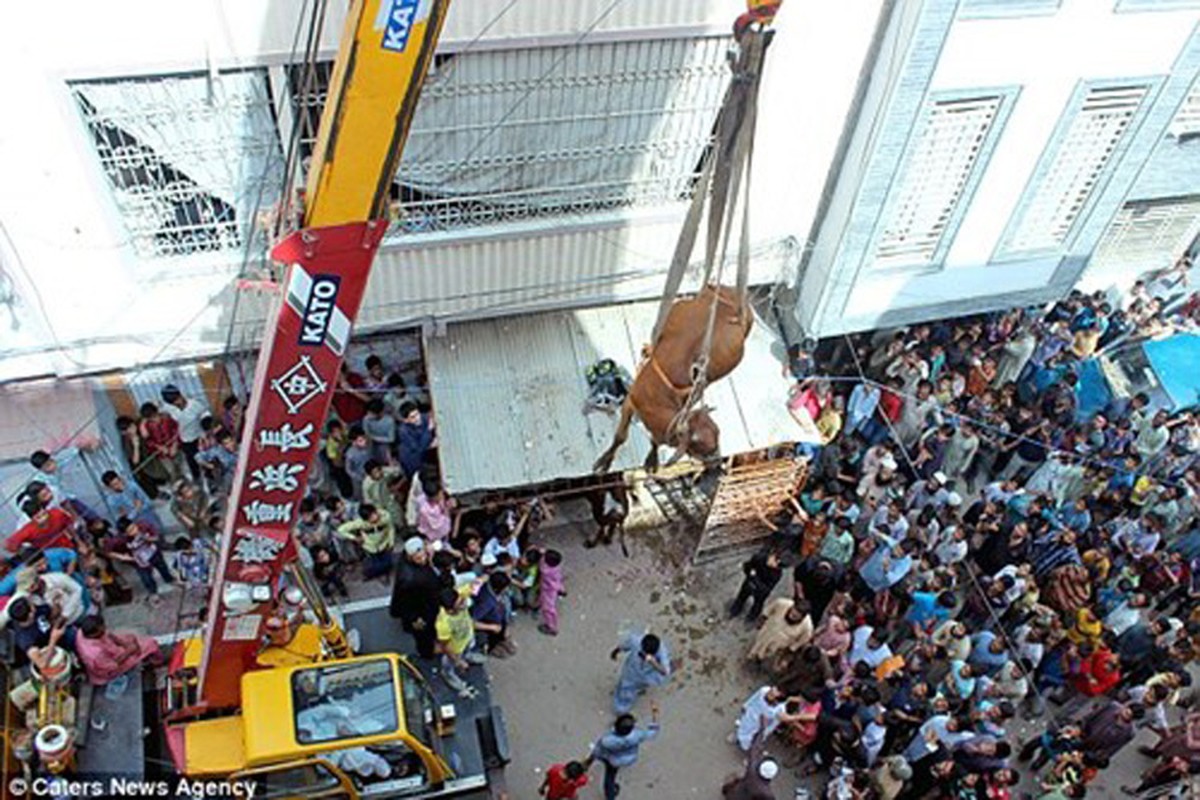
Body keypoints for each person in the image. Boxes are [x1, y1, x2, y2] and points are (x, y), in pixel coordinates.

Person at [589, 705, 660, 800]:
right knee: (611, 775)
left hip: (608, 756)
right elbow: (652, 733)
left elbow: (598, 749)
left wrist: (591, 758)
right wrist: (654, 714)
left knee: (609, 777)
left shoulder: (608, 741)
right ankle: (610, 796)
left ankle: (610, 795)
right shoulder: (636, 736)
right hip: (624, 758)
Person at [74, 615, 162, 685]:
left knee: (132, 638)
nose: (104, 629)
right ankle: (155, 660)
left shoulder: (81, 632)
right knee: (150, 643)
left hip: (108, 650)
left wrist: (123, 643)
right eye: (101, 630)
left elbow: (108, 634)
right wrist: (129, 651)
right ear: (92, 635)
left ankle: (143, 655)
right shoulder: (95, 655)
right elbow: (113, 665)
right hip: (109, 669)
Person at [435, 586, 485, 698]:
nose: (464, 604)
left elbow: (476, 585)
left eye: (462, 600)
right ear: (450, 610)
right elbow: (445, 646)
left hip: (467, 637)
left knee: (467, 649)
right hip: (456, 649)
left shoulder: (460, 594)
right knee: (448, 666)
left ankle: (467, 656)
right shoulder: (443, 624)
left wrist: (479, 582)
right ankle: (448, 675)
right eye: (460, 604)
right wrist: (457, 661)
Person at [611, 630, 672, 713]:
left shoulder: (662, 652)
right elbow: (624, 646)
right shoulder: (635, 641)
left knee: (639, 685)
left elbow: (665, 672)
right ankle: (622, 706)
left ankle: (629, 698)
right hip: (631, 671)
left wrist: (654, 663)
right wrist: (615, 652)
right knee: (626, 686)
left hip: (646, 676)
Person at [160, 384, 209, 481]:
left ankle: (210, 479)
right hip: (185, 440)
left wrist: (206, 429)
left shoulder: (194, 404)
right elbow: (160, 413)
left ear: (180, 395)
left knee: (205, 460)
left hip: (199, 438)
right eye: (173, 403)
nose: (177, 404)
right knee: (192, 462)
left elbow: (205, 415)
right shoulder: (169, 408)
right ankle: (197, 480)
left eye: (177, 400)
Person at [336, 504, 396, 581]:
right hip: (370, 547)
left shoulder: (386, 516)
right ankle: (374, 573)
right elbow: (341, 529)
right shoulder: (360, 523)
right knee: (376, 564)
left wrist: (391, 542)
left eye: (374, 514)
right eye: (370, 518)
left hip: (384, 544)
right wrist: (355, 538)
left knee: (387, 563)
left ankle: (377, 572)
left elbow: (391, 529)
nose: (374, 518)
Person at [722, 729, 779, 800]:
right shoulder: (767, 792)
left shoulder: (752, 769)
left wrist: (762, 729)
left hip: (734, 794)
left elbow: (754, 748)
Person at [730, 548, 784, 622]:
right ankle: (736, 609)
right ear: (771, 556)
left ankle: (752, 616)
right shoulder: (759, 558)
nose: (776, 564)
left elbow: (766, 589)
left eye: (779, 562)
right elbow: (747, 566)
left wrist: (754, 577)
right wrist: (750, 574)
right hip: (749, 583)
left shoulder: (777, 573)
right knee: (741, 597)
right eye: (775, 560)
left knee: (757, 604)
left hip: (760, 591)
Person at [538, 548, 565, 636]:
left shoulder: (545, 570)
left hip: (547, 591)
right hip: (555, 585)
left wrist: (541, 554)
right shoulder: (556, 567)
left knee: (548, 609)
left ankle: (551, 627)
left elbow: (541, 565)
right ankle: (561, 590)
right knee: (559, 581)